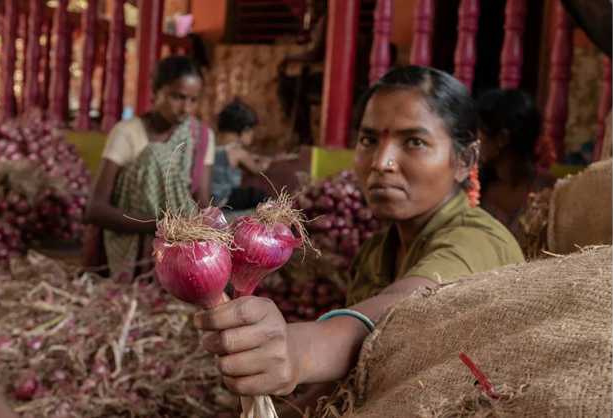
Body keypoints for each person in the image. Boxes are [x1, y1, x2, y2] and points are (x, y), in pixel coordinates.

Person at [192, 67, 525, 408]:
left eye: (415, 142)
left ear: (464, 160)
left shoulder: (479, 240)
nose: (382, 162)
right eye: (368, 141)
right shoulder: (377, 251)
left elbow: (406, 308)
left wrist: (298, 351)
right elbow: (354, 374)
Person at [84, 56, 215, 277]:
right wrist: (162, 227)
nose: (186, 108)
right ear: (155, 92)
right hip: (131, 246)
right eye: (178, 97)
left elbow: (202, 202)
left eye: (193, 100)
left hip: (179, 252)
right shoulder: (127, 133)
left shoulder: (201, 137)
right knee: (155, 154)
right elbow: (95, 210)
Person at [477, 89, 555, 242]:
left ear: (502, 138)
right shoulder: (473, 189)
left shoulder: (549, 192)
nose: (476, 142)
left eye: (480, 133)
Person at [211, 98, 270, 211]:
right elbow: (256, 169)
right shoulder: (238, 152)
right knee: (256, 194)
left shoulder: (213, 146)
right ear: (245, 130)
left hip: (209, 199)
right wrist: (265, 163)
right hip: (225, 200)